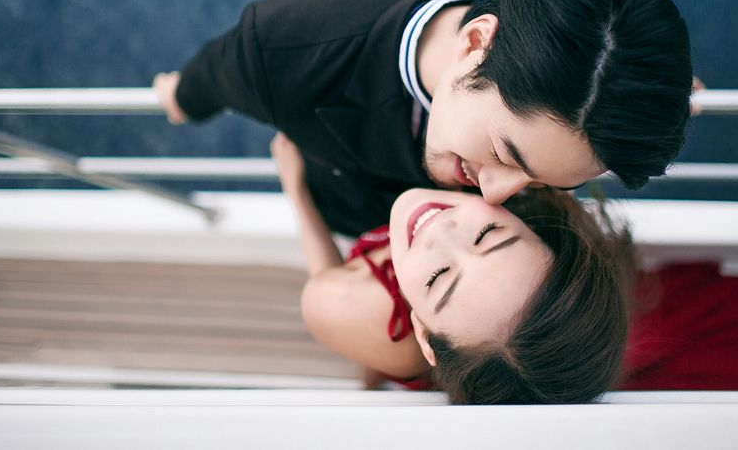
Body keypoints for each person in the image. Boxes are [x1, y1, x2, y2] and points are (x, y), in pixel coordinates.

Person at [154, 0, 693, 236]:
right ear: (476, 42)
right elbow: (206, 80)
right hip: (356, 205)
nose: (496, 198)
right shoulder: (281, 49)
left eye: (545, 181)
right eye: (505, 153)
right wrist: (182, 97)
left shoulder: (579, 11)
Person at [271, 133, 636, 404]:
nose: (440, 230)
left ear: (423, 334)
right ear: (535, 225)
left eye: (438, 278)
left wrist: (295, 189)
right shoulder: (537, 206)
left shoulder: (363, 312)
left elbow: (325, 279)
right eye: (488, 234)